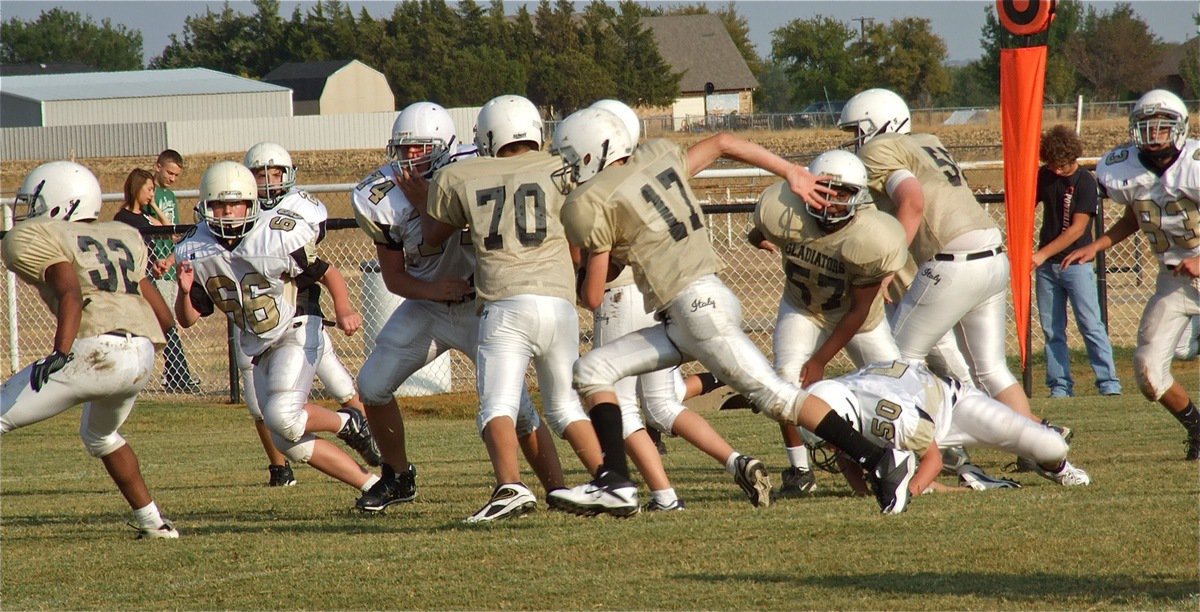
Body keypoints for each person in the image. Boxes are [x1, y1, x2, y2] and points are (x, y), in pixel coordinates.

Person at [548, 106, 919, 517]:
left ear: (588, 154)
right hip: (693, 308)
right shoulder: (656, 157)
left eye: (568, 157)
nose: (566, 168)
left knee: (779, 398)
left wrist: (588, 263)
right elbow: (723, 143)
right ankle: (614, 481)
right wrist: (791, 171)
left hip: (696, 308)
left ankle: (883, 461)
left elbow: (594, 296)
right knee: (592, 371)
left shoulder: (591, 200)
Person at [350, 101, 565, 516]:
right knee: (373, 384)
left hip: (482, 307)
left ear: (448, 147)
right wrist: (435, 291)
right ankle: (397, 476)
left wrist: (432, 198)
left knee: (515, 408)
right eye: (404, 148)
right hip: (429, 305)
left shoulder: (480, 169)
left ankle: (557, 489)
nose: (411, 158)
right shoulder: (379, 196)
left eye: (421, 148)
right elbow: (394, 279)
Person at [424, 95, 606, 522]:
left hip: (505, 304)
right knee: (563, 407)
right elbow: (580, 237)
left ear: (487, 137)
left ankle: (511, 485)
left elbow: (432, 235)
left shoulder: (460, 175)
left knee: (497, 406)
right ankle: (609, 478)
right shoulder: (561, 168)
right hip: (559, 303)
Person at [578, 99, 760, 512]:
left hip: (621, 295)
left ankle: (664, 495)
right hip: (661, 295)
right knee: (662, 404)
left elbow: (591, 279)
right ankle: (737, 461)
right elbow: (718, 145)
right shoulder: (658, 168)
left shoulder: (598, 193)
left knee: (621, 405)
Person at [174, 161, 383, 498]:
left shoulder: (279, 234)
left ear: (251, 202)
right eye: (219, 205)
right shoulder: (194, 249)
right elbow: (187, 319)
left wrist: (343, 308)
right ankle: (372, 484)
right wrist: (184, 292)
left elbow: (326, 272)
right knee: (287, 440)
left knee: (281, 415)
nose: (228, 213)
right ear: (205, 207)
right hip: (258, 342)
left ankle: (348, 422)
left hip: (296, 326)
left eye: (235, 203)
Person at [838, 88, 1043, 424]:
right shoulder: (927, 141)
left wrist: (888, 265)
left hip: (952, 259)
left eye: (857, 131)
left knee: (898, 361)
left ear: (878, 125)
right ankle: (1041, 446)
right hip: (992, 253)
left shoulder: (880, 149)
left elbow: (912, 200)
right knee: (990, 369)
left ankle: (933, 447)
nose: (857, 141)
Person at [1, 161, 179, 539]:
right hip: (141, 354)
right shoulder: (122, 234)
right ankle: (155, 524)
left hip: (95, 351)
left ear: (59, 203)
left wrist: (61, 351)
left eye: (35, 201)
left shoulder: (41, 236)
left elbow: (70, 291)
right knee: (101, 436)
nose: (29, 210)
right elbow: (164, 317)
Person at [747, 149, 908, 498]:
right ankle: (800, 470)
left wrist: (820, 359)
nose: (830, 201)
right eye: (824, 189)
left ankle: (911, 459)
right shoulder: (785, 211)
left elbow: (859, 310)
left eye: (842, 193)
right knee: (784, 382)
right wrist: (759, 239)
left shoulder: (872, 237)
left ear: (859, 196)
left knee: (898, 386)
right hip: (802, 307)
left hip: (859, 320)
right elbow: (757, 231)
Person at [1063, 89, 1200, 461]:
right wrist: (1098, 245)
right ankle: (1197, 429)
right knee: (1147, 372)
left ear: (1180, 128)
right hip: (1176, 280)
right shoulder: (1123, 167)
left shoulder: (1195, 163)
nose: (1155, 135)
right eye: (1147, 127)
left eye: (1162, 127)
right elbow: (1136, 216)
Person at [241, 141, 370, 488]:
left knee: (336, 390)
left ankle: (377, 447)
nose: (267, 181)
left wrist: (343, 307)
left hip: (299, 312)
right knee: (270, 413)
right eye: (259, 174)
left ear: (288, 174)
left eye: (274, 172)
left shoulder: (300, 209)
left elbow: (318, 265)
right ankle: (288, 466)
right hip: (257, 320)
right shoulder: (238, 212)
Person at [802, 360, 1091, 497]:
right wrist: (863, 494)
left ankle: (1058, 467)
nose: (830, 448)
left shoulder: (888, 416)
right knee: (891, 472)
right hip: (920, 408)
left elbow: (933, 459)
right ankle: (971, 478)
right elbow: (845, 453)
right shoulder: (840, 401)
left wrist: (909, 492)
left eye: (829, 440)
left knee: (1051, 447)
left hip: (955, 408)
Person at [1033, 125, 1122, 398]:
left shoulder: (1085, 182)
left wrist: (1041, 254)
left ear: (1072, 158)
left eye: (1060, 165)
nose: (1055, 171)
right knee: (1052, 329)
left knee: (1090, 324)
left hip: (1076, 265)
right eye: (1051, 165)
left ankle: (1108, 384)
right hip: (1047, 269)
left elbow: (1077, 229)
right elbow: (1026, 205)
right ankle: (1060, 386)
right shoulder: (1044, 175)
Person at [150, 149, 200, 393]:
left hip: (168, 268)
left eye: (176, 175)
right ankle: (178, 377)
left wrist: (172, 259)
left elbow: (174, 233)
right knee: (165, 323)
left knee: (170, 324)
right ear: (157, 166)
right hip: (154, 269)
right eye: (169, 172)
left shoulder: (169, 195)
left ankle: (176, 376)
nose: (172, 178)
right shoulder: (150, 193)